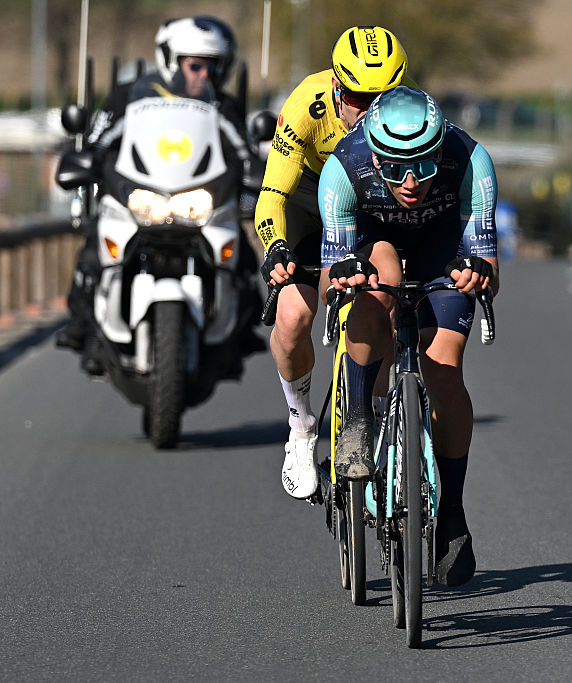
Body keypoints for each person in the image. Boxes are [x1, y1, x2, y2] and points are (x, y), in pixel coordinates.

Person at [318, 86, 499, 587]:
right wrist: (346, 276)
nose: (412, 180)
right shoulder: (344, 167)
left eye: (422, 162)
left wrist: (477, 274)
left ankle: (452, 514)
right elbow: (334, 267)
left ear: (440, 147)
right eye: (395, 167)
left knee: (444, 370)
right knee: (379, 287)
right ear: (373, 154)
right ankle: (357, 415)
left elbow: (490, 268)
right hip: (376, 243)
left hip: (444, 248)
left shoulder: (471, 161)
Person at [256, 26, 416, 501]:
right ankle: (302, 425)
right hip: (310, 201)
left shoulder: (408, 111)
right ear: (336, 88)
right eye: (356, 98)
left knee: (388, 285)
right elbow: (272, 196)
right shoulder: (308, 103)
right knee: (293, 317)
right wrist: (276, 247)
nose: (367, 112)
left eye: (380, 100)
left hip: (368, 199)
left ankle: (378, 409)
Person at [56, 16, 258, 365]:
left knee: (244, 259)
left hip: (198, 202)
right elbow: (99, 141)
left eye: (214, 67)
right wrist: (85, 157)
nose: (204, 76)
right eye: (195, 66)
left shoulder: (222, 107)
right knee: (92, 254)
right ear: (170, 58)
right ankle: (84, 329)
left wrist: (259, 171)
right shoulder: (127, 99)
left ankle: (241, 331)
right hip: (137, 196)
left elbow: (245, 152)